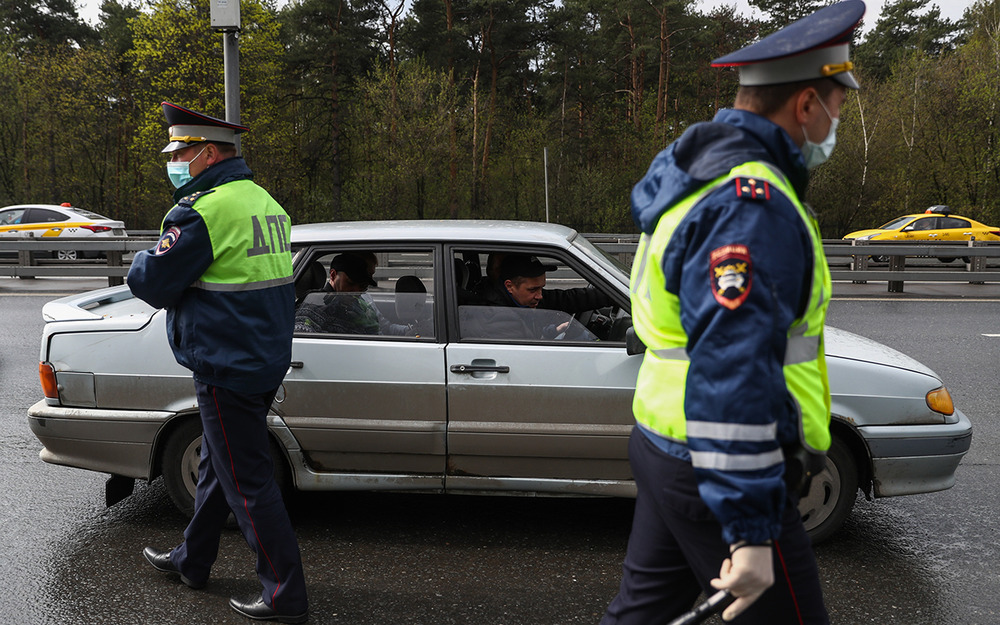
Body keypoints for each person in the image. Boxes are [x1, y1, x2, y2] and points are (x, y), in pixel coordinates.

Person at [601, 2, 865, 624]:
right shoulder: (752, 204)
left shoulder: (697, 175)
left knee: (640, 613)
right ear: (805, 105)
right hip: (721, 463)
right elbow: (732, 366)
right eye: (837, 109)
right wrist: (749, 532)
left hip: (669, 443)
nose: (835, 125)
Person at [128, 102, 308, 624]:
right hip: (261, 357)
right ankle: (193, 557)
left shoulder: (202, 210)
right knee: (217, 463)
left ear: (208, 153)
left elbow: (153, 283)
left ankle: (284, 594)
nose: (175, 161)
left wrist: (142, 258)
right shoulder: (263, 200)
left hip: (225, 363)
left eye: (181, 152)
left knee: (247, 481)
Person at [294, 253, 380, 335]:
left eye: (362, 286)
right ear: (333, 275)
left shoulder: (358, 304)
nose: (356, 291)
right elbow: (302, 336)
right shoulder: (313, 304)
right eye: (350, 283)